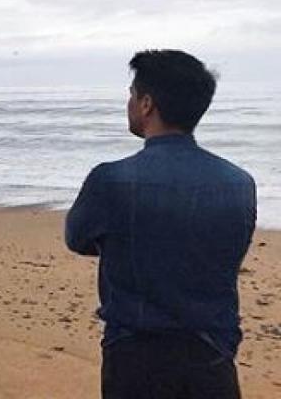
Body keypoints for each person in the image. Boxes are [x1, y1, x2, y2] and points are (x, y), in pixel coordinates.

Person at [65, 49, 257, 399]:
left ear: (146, 104)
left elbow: (77, 238)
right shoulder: (239, 183)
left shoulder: (110, 180)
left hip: (134, 356)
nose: (129, 103)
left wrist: (131, 240)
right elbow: (230, 247)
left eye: (132, 95)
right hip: (211, 354)